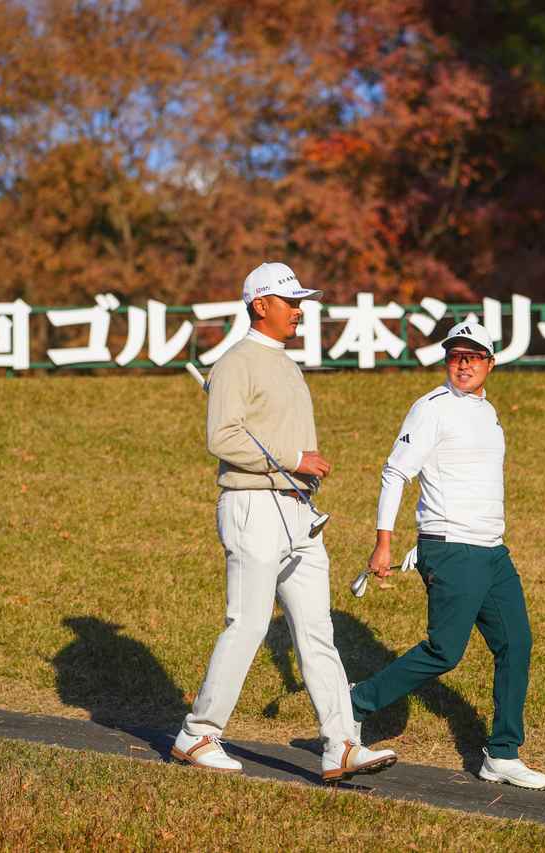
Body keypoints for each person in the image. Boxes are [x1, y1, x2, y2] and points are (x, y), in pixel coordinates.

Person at [172, 262, 397, 783]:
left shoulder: (286, 365)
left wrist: (297, 468)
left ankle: (341, 745)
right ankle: (199, 732)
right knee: (248, 623)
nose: (300, 311)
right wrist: (294, 458)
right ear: (260, 305)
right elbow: (223, 439)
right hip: (252, 506)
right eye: (290, 301)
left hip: (298, 512)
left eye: (301, 302)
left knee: (318, 630)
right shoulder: (236, 363)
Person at [350, 320, 545, 790]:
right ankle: (356, 703)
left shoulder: (489, 412)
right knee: (445, 650)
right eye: (456, 356)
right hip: (451, 549)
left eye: (473, 356)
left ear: (490, 363)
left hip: (492, 552)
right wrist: (384, 540)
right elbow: (395, 473)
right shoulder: (430, 409)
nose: (464, 364)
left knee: (515, 644)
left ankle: (501, 753)